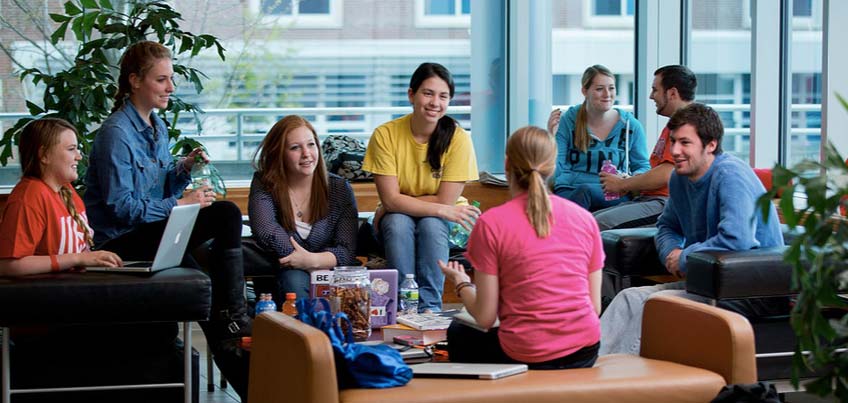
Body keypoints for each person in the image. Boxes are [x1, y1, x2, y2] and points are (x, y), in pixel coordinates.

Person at [83, 41, 251, 398]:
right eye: (162, 80)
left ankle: (249, 380)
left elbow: (156, 189)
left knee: (212, 311)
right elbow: (121, 207)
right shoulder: (117, 134)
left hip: (151, 231)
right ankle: (239, 311)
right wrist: (180, 203)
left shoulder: (156, 127)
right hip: (120, 242)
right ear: (134, 81)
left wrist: (183, 168)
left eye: (170, 79)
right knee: (226, 213)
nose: (171, 87)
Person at [599, 103, 786, 356]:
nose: (675, 151)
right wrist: (671, 253)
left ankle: (618, 385)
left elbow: (738, 239)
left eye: (685, 143)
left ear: (710, 145)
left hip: (748, 292)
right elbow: (666, 226)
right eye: (673, 141)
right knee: (629, 299)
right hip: (707, 283)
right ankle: (586, 374)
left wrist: (685, 258)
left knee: (653, 308)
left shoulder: (731, 176)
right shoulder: (679, 178)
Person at [439, 126, 602, 369]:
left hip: (526, 353)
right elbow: (594, 307)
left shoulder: (491, 223)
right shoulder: (585, 219)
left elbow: (485, 317)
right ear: (553, 166)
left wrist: (461, 283)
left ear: (506, 164)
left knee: (458, 331)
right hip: (584, 351)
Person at [362, 62, 479, 312]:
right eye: (428, 93)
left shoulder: (458, 138)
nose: (435, 102)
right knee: (398, 221)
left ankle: (430, 309)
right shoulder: (385, 135)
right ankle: (404, 307)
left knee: (430, 223)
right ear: (411, 94)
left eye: (443, 96)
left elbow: (445, 202)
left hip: (445, 222)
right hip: (401, 220)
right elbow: (393, 201)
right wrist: (396, 203)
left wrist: (399, 202)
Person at [248, 115, 359, 300]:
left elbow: (347, 249)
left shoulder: (339, 188)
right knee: (293, 280)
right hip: (283, 272)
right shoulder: (264, 183)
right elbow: (267, 231)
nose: (306, 154)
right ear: (279, 153)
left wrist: (311, 261)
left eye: (311, 144)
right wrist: (300, 260)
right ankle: (306, 330)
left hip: (330, 271)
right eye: (295, 148)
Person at [0, 118, 123, 276]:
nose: (79, 156)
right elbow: (8, 265)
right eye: (71, 149)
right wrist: (77, 258)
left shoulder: (67, 190)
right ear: (44, 155)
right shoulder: (29, 197)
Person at [593, 65, 697, 230]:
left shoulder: (687, 124)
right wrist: (629, 181)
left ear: (672, 93)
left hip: (667, 203)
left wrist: (622, 185)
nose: (651, 96)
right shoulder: (674, 123)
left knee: (595, 224)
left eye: (655, 90)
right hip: (651, 199)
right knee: (590, 219)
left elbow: (666, 174)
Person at [548, 65, 650, 212]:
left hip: (613, 192)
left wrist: (632, 178)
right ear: (585, 91)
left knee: (586, 191)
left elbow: (642, 165)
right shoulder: (568, 121)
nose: (607, 94)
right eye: (599, 89)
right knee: (583, 192)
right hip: (570, 189)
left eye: (612, 88)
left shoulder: (631, 125)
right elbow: (557, 167)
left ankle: (564, 231)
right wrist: (551, 139)